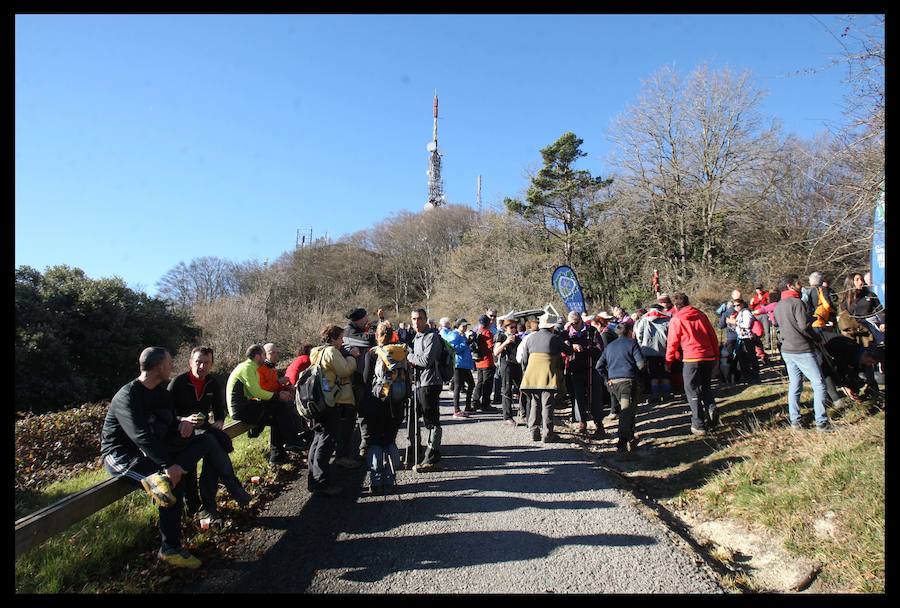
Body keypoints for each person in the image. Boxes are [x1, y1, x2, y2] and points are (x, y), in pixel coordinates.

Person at [102, 347, 222, 569]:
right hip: (121, 455)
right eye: (168, 363)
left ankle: (170, 547)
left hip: (152, 452)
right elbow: (141, 436)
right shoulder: (127, 396)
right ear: (158, 367)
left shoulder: (161, 393)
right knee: (166, 481)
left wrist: (181, 423)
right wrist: (168, 465)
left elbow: (167, 422)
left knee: (201, 444)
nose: (171, 366)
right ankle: (170, 548)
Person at [167, 346, 250, 522]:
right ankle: (231, 488)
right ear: (190, 363)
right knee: (212, 442)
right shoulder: (178, 383)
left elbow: (220, 411)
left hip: (203, 430)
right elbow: (165, 414)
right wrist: (184, 419)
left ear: (211, 365)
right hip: (179, 433)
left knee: (212, 449)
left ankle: (206, 506)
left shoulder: (212, 383)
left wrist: (219, 421)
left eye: (206, 363)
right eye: (198, 362)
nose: (202, 367)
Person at [773, 275, 833, 432]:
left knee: (795, 385)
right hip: (802, 349)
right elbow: (803, 326)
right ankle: (821, 422)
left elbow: (781, 324)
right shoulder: (797, 303)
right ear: (790, 286)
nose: (801, 285)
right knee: (819, 383)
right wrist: (817, 337)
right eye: (798, 283)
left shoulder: (778, 305)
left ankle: (795, 420)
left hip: (787, 349)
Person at [226, 344, 303, 466]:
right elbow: (256, 392)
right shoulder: (247, 368)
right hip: (240, 409)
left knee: (278, 412)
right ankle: (291, 441)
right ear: (257, 356)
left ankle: (278, 455)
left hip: (246, 405)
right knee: (279, 408)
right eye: (263, 355)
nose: (265, 357)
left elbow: (256, 391)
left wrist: (279, 391)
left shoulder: (250, 367)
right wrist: (278, 396)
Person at [307, 325, 360, 495]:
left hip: (316, 401)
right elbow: (344, 370)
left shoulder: (316, 351)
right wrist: (352, 357)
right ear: (333, 338)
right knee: (326, 440)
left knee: (317, 439)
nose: (342, 341)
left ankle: (313, 481)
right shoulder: (331, 352)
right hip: (329, 401)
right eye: (340, 338)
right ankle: (322, 483)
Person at [360, 321, 407, 494]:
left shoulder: (372, 354)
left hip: (376, 403)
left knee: (375, 442)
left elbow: (366, 381)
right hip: (396, 404)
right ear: (392, 335)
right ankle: (390, 478)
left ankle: (376, 481)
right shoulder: (401, 352)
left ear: (376, 336)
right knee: (389, 440)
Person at [665, 293, 720, 436]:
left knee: (691, 389)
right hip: (707, 356)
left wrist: (669, 361)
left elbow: (672, 342)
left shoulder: (676, 319)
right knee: (705, 386)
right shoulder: (701, 315)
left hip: (691, 358)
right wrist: (716, 356)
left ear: (676, 306)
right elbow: (712, 335)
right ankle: (711, 408)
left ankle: (698, 423)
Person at [519, 311, 573, 442]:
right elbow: (568, 351)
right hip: (547, 375)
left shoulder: (530, 338)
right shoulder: (554, 338)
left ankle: (534, 432)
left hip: (531, 375)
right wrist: (569, 344)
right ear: (552, 326)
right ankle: (548, 434)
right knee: (547, 404)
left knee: (534, 403)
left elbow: (524, 359)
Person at [596, 323, 646, 453]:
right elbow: (641, 364)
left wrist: (608, 379)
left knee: (628, 410)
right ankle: (622, 443)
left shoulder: (609, 347)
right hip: (628, 382)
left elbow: (599, 366)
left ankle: (630, 437)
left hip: (614, 384)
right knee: (626, 411)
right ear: (629, 331)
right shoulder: (632, 344)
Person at [407, 308, 444, 471]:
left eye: (419, 319)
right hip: (420, 384)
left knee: (431, 420)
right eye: (414, 319)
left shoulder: (432, 336)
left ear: (426, 319)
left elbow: (426, 361)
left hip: (430, 384)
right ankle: (416, 452)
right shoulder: (417, 337)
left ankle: (432, 458)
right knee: (414, 418)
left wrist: (408, 356)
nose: (416, 322)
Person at [562, 310, 603, 437]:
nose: (574, 325)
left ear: (581, 320)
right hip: (574, 369)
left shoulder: (592, 331)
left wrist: (584, 349)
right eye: (572, 323)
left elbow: (599, 349)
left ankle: (599, 423)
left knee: (595, 395)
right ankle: (582, 422)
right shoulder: (566, 334)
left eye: (576, 322)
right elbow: (562, 349)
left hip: (591, 368)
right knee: (578, 396)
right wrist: (571, 346)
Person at [634, 303, 671, 403]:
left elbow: (639, 334)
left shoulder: (643, 320)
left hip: (648, 351)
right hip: (664, 350)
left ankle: (655, 395)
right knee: (665, 373)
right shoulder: (667, 319)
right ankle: (666, 394)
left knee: (653, 374)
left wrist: (642, 345)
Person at [440, 318, 474, 418]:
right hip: (458, 364)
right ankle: (456, 410)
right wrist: (466, 343)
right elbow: (453, 349)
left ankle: (468, 407)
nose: (465, 327)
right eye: (463, 326)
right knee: (458, 387)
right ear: (457, 326)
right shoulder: (454, 334)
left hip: (465, 364)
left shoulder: (461, 335)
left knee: (471, 384)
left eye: (466, 326)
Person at [494, 318, 523, 426]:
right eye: (511, 327)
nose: (514, 329)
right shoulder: (501, 337)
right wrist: (506, 342)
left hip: (517, 365)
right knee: (507, 390)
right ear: (505, 328)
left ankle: (524, 413)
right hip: (506, 365)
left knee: (522, 389)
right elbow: (496, 352)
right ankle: (507, 416)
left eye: (515, 327)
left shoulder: (518, 338)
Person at [471, 314, 499, 414]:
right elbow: (491, 346)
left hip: (478, 361)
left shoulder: (478, 331)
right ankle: (485, 404)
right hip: (487, 361)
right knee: (487, 384)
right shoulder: (487, 332)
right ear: (488, 323)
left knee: (480, 382)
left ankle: (475, 401)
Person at [731, 299, 761, 384]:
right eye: (734, 306)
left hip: (748, 338)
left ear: (743, 304)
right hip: (741, 337)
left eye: (738, 305)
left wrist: (735, 323)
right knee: (743, 358)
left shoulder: (746, 312)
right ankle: (748, 376)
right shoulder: (739, 313)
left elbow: (747, 325)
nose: (736, 307)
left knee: (751, 357)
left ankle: (755, 376)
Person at [750, 284, 773, 351]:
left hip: (764, 315)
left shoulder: (766, 294)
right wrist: (751, 303)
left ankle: (767, 344)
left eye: (760, 288)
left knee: (766, 330)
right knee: (756, 330)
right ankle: (758, 346)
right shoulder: (754, 297)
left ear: (762, 288)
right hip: (756, 316)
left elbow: (770, 304)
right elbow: (751, 308)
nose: (759, 290)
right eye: (757, 289)